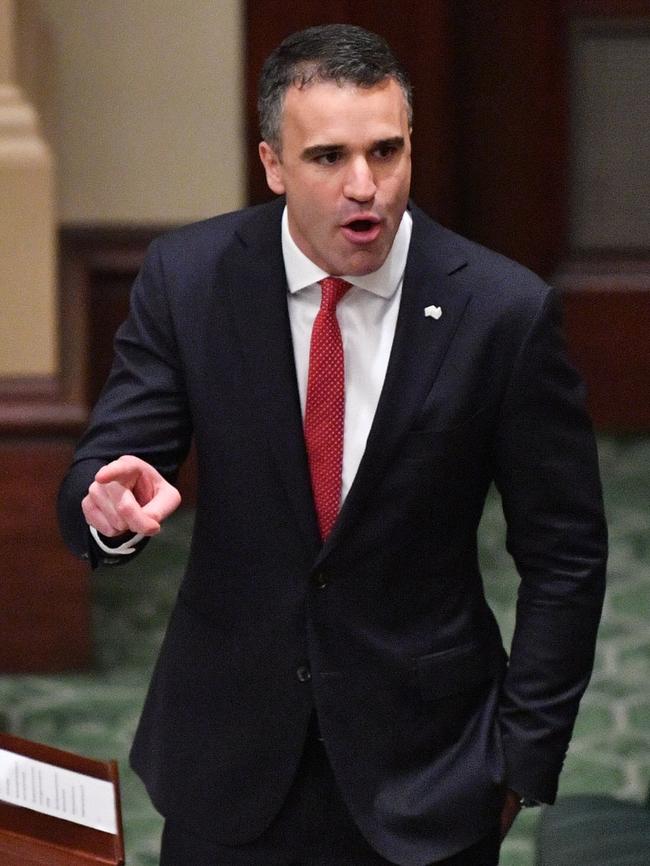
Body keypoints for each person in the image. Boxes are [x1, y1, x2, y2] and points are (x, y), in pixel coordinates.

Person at [58, 23, 607, 866]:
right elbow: (113, 462)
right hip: (230, 757)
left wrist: (522, 759)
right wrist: (109, 505)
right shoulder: (190, 277)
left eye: (387, 151)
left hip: (427, 770)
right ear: (274, 164)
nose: (367, 187)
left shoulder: (501, 311)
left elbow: (565, 554)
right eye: (328, 158)